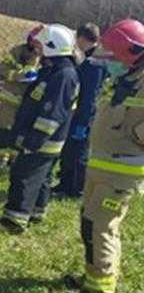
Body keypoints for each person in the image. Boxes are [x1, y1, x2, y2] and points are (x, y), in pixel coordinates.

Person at [62, 19, 144, 293]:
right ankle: (92, 275)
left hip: (121, 172)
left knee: (102, 226)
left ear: (132, 52)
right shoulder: (126, 79)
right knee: (89, 222)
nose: (111, 60)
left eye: (115, 54)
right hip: (102, 166)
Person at [0, 24, 80, 234]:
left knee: (24, 176)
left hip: (42, 140)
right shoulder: (53, 70)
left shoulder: (63, 75)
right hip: (42, 139)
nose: (36, 49)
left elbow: (51, 114)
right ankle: (36, 211)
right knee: (42, 176)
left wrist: (33, 141)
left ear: (52, 46)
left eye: (40, 44)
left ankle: (14, 220)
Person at [52, 23, 108, 198]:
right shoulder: (92, 59)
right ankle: (65, 183)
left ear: (83, 39)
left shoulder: (94, 64)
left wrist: (83, 122)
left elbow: (90, 96)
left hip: (84, 115)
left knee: (78, 153)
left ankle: (75, 189)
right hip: (80, 112)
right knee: (69, 151)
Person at [0, 26, 42, 168]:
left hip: (29, 103)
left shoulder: (45, 57)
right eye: (34, 40)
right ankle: (0, 161)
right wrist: (19, 76)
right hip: (10, 99)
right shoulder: (17, 51)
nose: (36, 44)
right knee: (4, 131)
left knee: (20, 134)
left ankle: (14, 162)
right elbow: (2, 68)